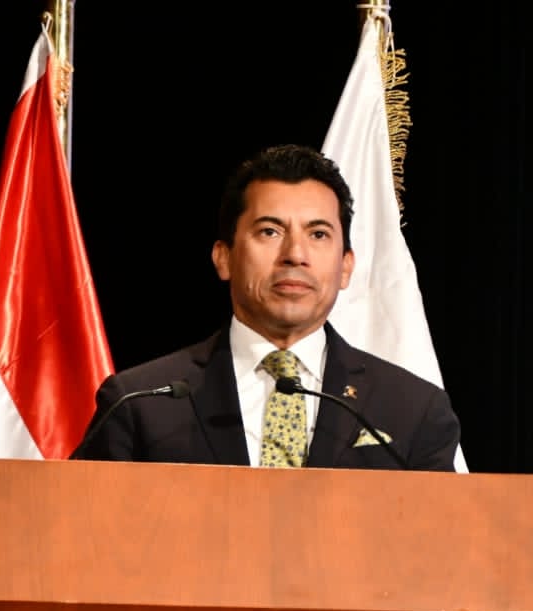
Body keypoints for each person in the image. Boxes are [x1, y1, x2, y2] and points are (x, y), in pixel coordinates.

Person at [74, 144, 460, 471]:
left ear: (345, 267)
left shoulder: (413, 410)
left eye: (318, 234)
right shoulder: (139, 403)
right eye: (270, 231)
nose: (295, 254)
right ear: (224, 257)